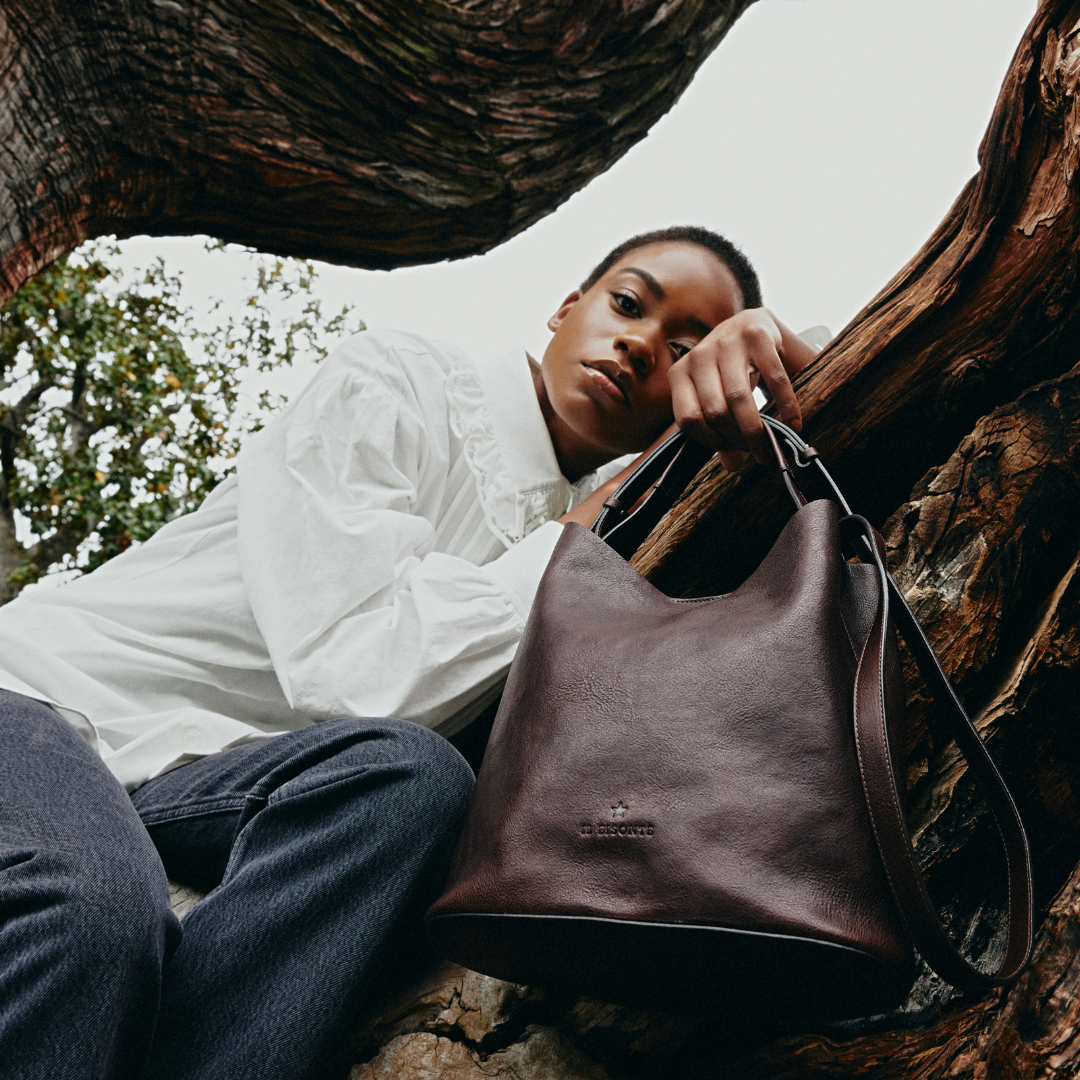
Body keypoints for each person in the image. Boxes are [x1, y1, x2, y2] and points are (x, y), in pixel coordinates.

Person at [0, 226, 817, 1080]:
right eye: (626, 304)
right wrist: (577, 542)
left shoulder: (623, 539)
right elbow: (354, 669)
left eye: (685, 351)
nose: (642, 345)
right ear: (567, 308)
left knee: (414, 782)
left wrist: (786, 372)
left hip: (203, 779)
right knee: (88, 908)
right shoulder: (397, 381)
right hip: (48, 701)